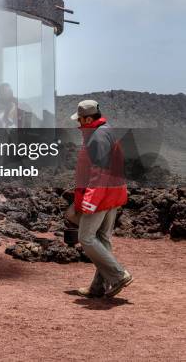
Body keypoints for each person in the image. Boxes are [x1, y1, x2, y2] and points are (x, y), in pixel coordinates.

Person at [67, 99, 133, 298]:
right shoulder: (105, 131)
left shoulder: (98, 136)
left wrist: (89, 200)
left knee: (86, 237)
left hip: (101, 195)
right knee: (102, 238)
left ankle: (119, 274)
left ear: (88, 118)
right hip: (110, 193)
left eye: (80, 120)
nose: (78, 124)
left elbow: (100, 172)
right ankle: (98, 287)